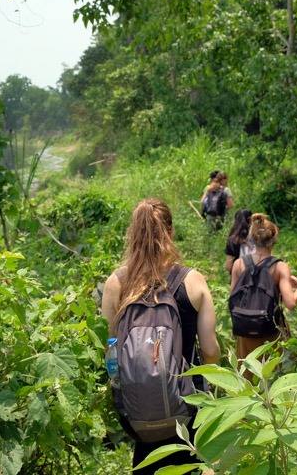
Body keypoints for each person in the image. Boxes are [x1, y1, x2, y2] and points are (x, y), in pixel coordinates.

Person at [102, 198, 220, 474]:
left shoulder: (116, 284)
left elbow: (110, 351)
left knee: (147, 463)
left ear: (133, 234)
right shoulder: (192, 281)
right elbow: (211, 350)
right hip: (188, 408)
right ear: (171, 232)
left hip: (138, 411)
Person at [229, 213, 297, 359]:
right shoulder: (280, 267)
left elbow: (233, 296)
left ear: (251, 239)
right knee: (272, 372)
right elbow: (290, 304)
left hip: (245, 331)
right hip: (271, 331)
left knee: (247, 374)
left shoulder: (238, 264)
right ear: (274, 239)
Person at [224, 209, 253, 275]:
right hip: (257, 275)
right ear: (251, 220)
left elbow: (228, 266)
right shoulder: (257, 235)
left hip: (239, 275)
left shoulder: (233, 239)